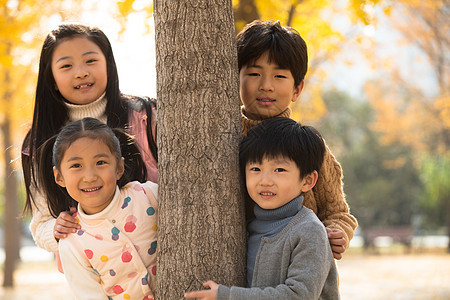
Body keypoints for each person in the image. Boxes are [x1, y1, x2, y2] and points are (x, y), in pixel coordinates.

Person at [21, 23, 157, 254]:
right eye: (66, 66)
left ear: (108, 65)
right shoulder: (39, 143)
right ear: (51, 78)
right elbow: (41, 223)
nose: (81, 72)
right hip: (97, 273)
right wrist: (57, 228)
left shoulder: (145, 116)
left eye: (91, 61)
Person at [236, 20, 357, 259]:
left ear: (297, 89)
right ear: (235, 79)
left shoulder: (305, 145)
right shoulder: (224, 137)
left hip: (297, 265)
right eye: (254, 73)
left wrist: (337, 232)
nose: (266, 85)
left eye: (279, 76)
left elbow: (338, 212)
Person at [185, 117, 339, 299]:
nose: (265, 181)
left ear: (307, 180)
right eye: (256, 169)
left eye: (279, 170)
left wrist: (227, 296)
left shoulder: (308, 230)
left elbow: (298, 296)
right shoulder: (247, 228)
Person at [37, 117, 157, 299]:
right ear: (59, 176)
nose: (90, 176)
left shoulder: (148, 196)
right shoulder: (72, 243)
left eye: (100, 162)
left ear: (119, 167)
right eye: (76, 166)